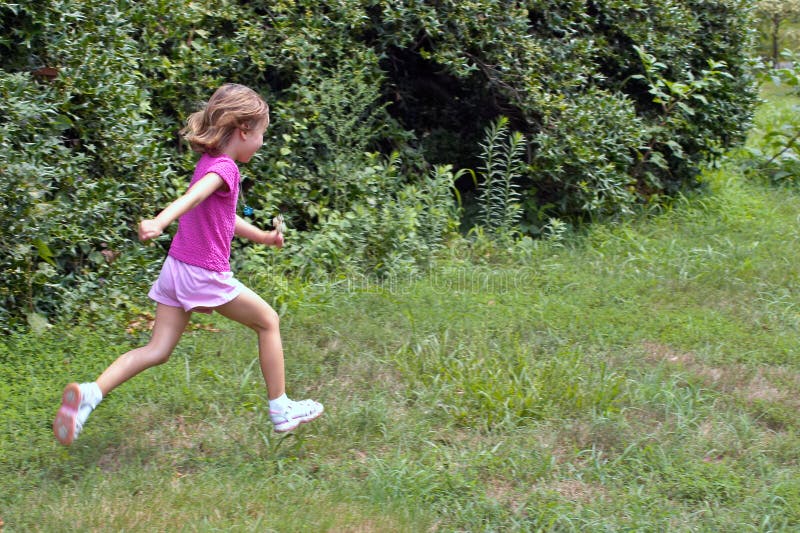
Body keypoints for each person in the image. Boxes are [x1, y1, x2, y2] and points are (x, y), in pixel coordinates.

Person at [53, 83, 323, 445]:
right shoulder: (225, 168)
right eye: (262, 134)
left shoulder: (209, 163)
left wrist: (261, 236)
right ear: (244, 130)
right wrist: (160, 221)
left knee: (156, 350)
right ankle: (281, 409)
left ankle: (90, 393)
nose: (262, 143)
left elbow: (222, 216)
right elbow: (192, 198)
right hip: (202, 273)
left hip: (176, 269)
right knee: (268, 321)